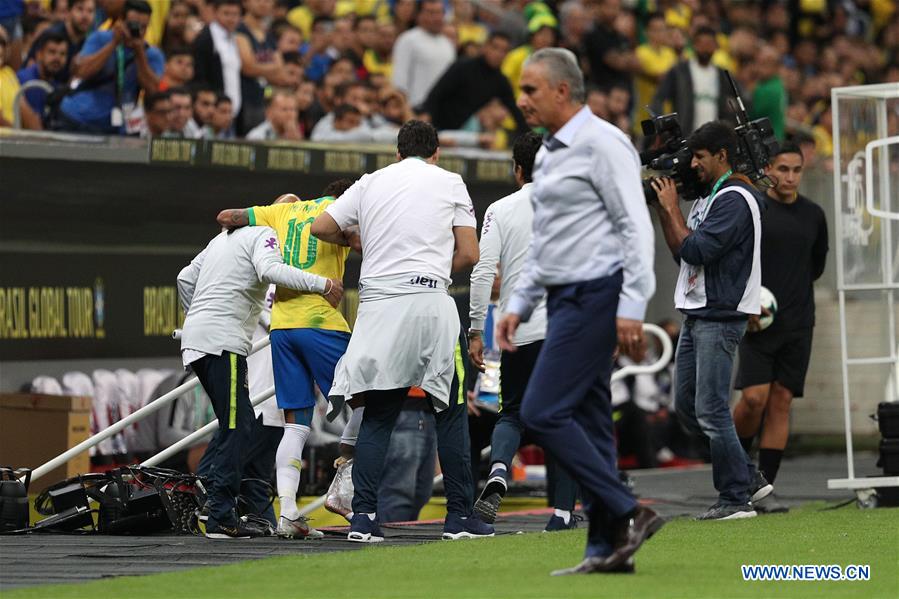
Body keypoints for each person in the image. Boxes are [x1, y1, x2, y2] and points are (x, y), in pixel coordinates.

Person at [495, 48, 659, 576]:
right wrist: (517, 303)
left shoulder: (606, 143)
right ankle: (604, 550)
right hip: (564, 300)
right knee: (591, 426)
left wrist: (632, 306)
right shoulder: (548, 154)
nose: (521, 100)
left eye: (530, 90)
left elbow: (636, 225)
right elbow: (547, 241)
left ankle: (629, 508)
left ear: (563, 91)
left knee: (541, 412)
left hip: (597, 295)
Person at [310, 120, 485, 543]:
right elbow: (471, 252)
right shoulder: (451, 181)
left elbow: (321, 226)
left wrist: (366, 243)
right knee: (451, 414)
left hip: (381, 306)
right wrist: (432, 267)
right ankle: (459, 520)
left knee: (379, 416)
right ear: (436, 153)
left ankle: (364, 521)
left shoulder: (371, 182)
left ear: (397, 153)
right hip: (431, 303)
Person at [176, 219, 343, 539]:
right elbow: (270, 271)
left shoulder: (220, 239)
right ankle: (220, 514)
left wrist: (195, 316)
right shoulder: (265, 234)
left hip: (198, 341)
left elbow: (185, 277)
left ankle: (215, 506)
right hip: (224, 342)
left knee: (234, 424)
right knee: (239, 425)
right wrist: (322, 284)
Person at [215, 178, 355, 539]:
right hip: (321, 322)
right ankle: (353, 499)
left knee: (296, 424)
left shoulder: (282, 212)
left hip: (283, 328)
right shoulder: (342, 212)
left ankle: (289, 513)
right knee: (366, 406)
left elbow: (226, 216)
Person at [649, 120, 772, 522]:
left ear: (722, 155)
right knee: (687, 406)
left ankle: (735, 497)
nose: (693, 164)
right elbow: (682, 252)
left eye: (700, 156)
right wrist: (670, 215)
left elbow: (698, 249)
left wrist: (671, 211)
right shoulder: (711, 196)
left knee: (712, 409)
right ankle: (745, 475)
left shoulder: (736, 197)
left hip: (720, 313)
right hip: (698, 311)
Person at [468, 131, 579, 532]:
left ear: (517, 170)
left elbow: (482, 272)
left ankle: (499, 468)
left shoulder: (499, 209)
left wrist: (475, 329)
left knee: (511, 413)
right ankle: (563, 513)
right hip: (565, 332)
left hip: (519, 330)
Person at [731, 142, 828, 513]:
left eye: (796, 170)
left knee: (781, 403)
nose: (789, 177)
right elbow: (737, 261)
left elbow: (815, 267)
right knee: (754, 399)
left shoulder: (814, 215)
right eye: (782, 169)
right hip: (756, 323)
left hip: (799, 322)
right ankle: (736, 472)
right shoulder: (756, 209)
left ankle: (764, 488)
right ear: (768, 168)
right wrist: (750, 300)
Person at [57, 0, 163, 134]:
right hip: (77, 117)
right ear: (121, 22)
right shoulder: (100, 38)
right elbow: (81, 72)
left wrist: (139, 53)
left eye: (144, 27)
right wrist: (113, 44)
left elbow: (153, 90)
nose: (139, 31)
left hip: (117, 126)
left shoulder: (152, 54)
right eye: (133, 25)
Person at [420, 31, 527, 134]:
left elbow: (515, 111)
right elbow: (436, 93)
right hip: (435, 126)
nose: (499, 54)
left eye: (504, 50)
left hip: (461, 132)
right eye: (495, 48)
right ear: (485, 47)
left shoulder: (501, 81)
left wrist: (531, 138)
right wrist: (425, 123)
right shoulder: (463, 66)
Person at [650, 26, 739, 134]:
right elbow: (659, 98)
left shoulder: (722, 74)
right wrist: (665, 127)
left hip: (715, 136)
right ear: (694, 45)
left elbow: (740, 98)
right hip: (686, 133)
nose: (705, 48)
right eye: (701, 44)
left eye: (709, 44)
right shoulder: (680, 71)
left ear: (715, 46)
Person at [391, 0, 455, 108]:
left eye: (440, 12)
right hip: (416, 108)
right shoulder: (408, 39)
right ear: (419, 15)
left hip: (443, 110)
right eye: (431, 13)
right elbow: (399, 81)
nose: (437, 17)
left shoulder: (447, 43)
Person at [192, 0, 242, 120]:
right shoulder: (205, 39)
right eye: (226, 13)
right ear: (215, 13)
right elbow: (200, 76)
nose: (231, 18)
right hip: (214, 111)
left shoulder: (234, 38)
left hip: (233, 112)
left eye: (235, 14)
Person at [17, 30, 67, 120]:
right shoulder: (27, 81)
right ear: (39, 54)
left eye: (62, 54)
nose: (57, 58)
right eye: (52, 52)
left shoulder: (55, 84)